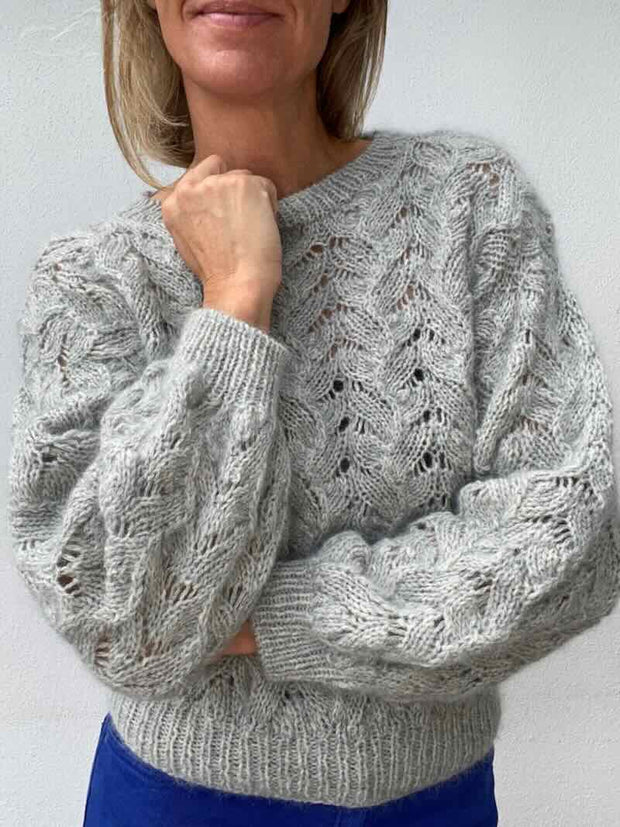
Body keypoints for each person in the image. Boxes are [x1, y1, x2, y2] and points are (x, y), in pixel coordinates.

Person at [7, 0, 620, 824]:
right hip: (175, 805)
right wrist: (234, 301)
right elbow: (131, 626)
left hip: (436, 806)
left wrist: (276, 618)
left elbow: (576, 545)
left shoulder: (469, 206)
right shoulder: (92, 284)